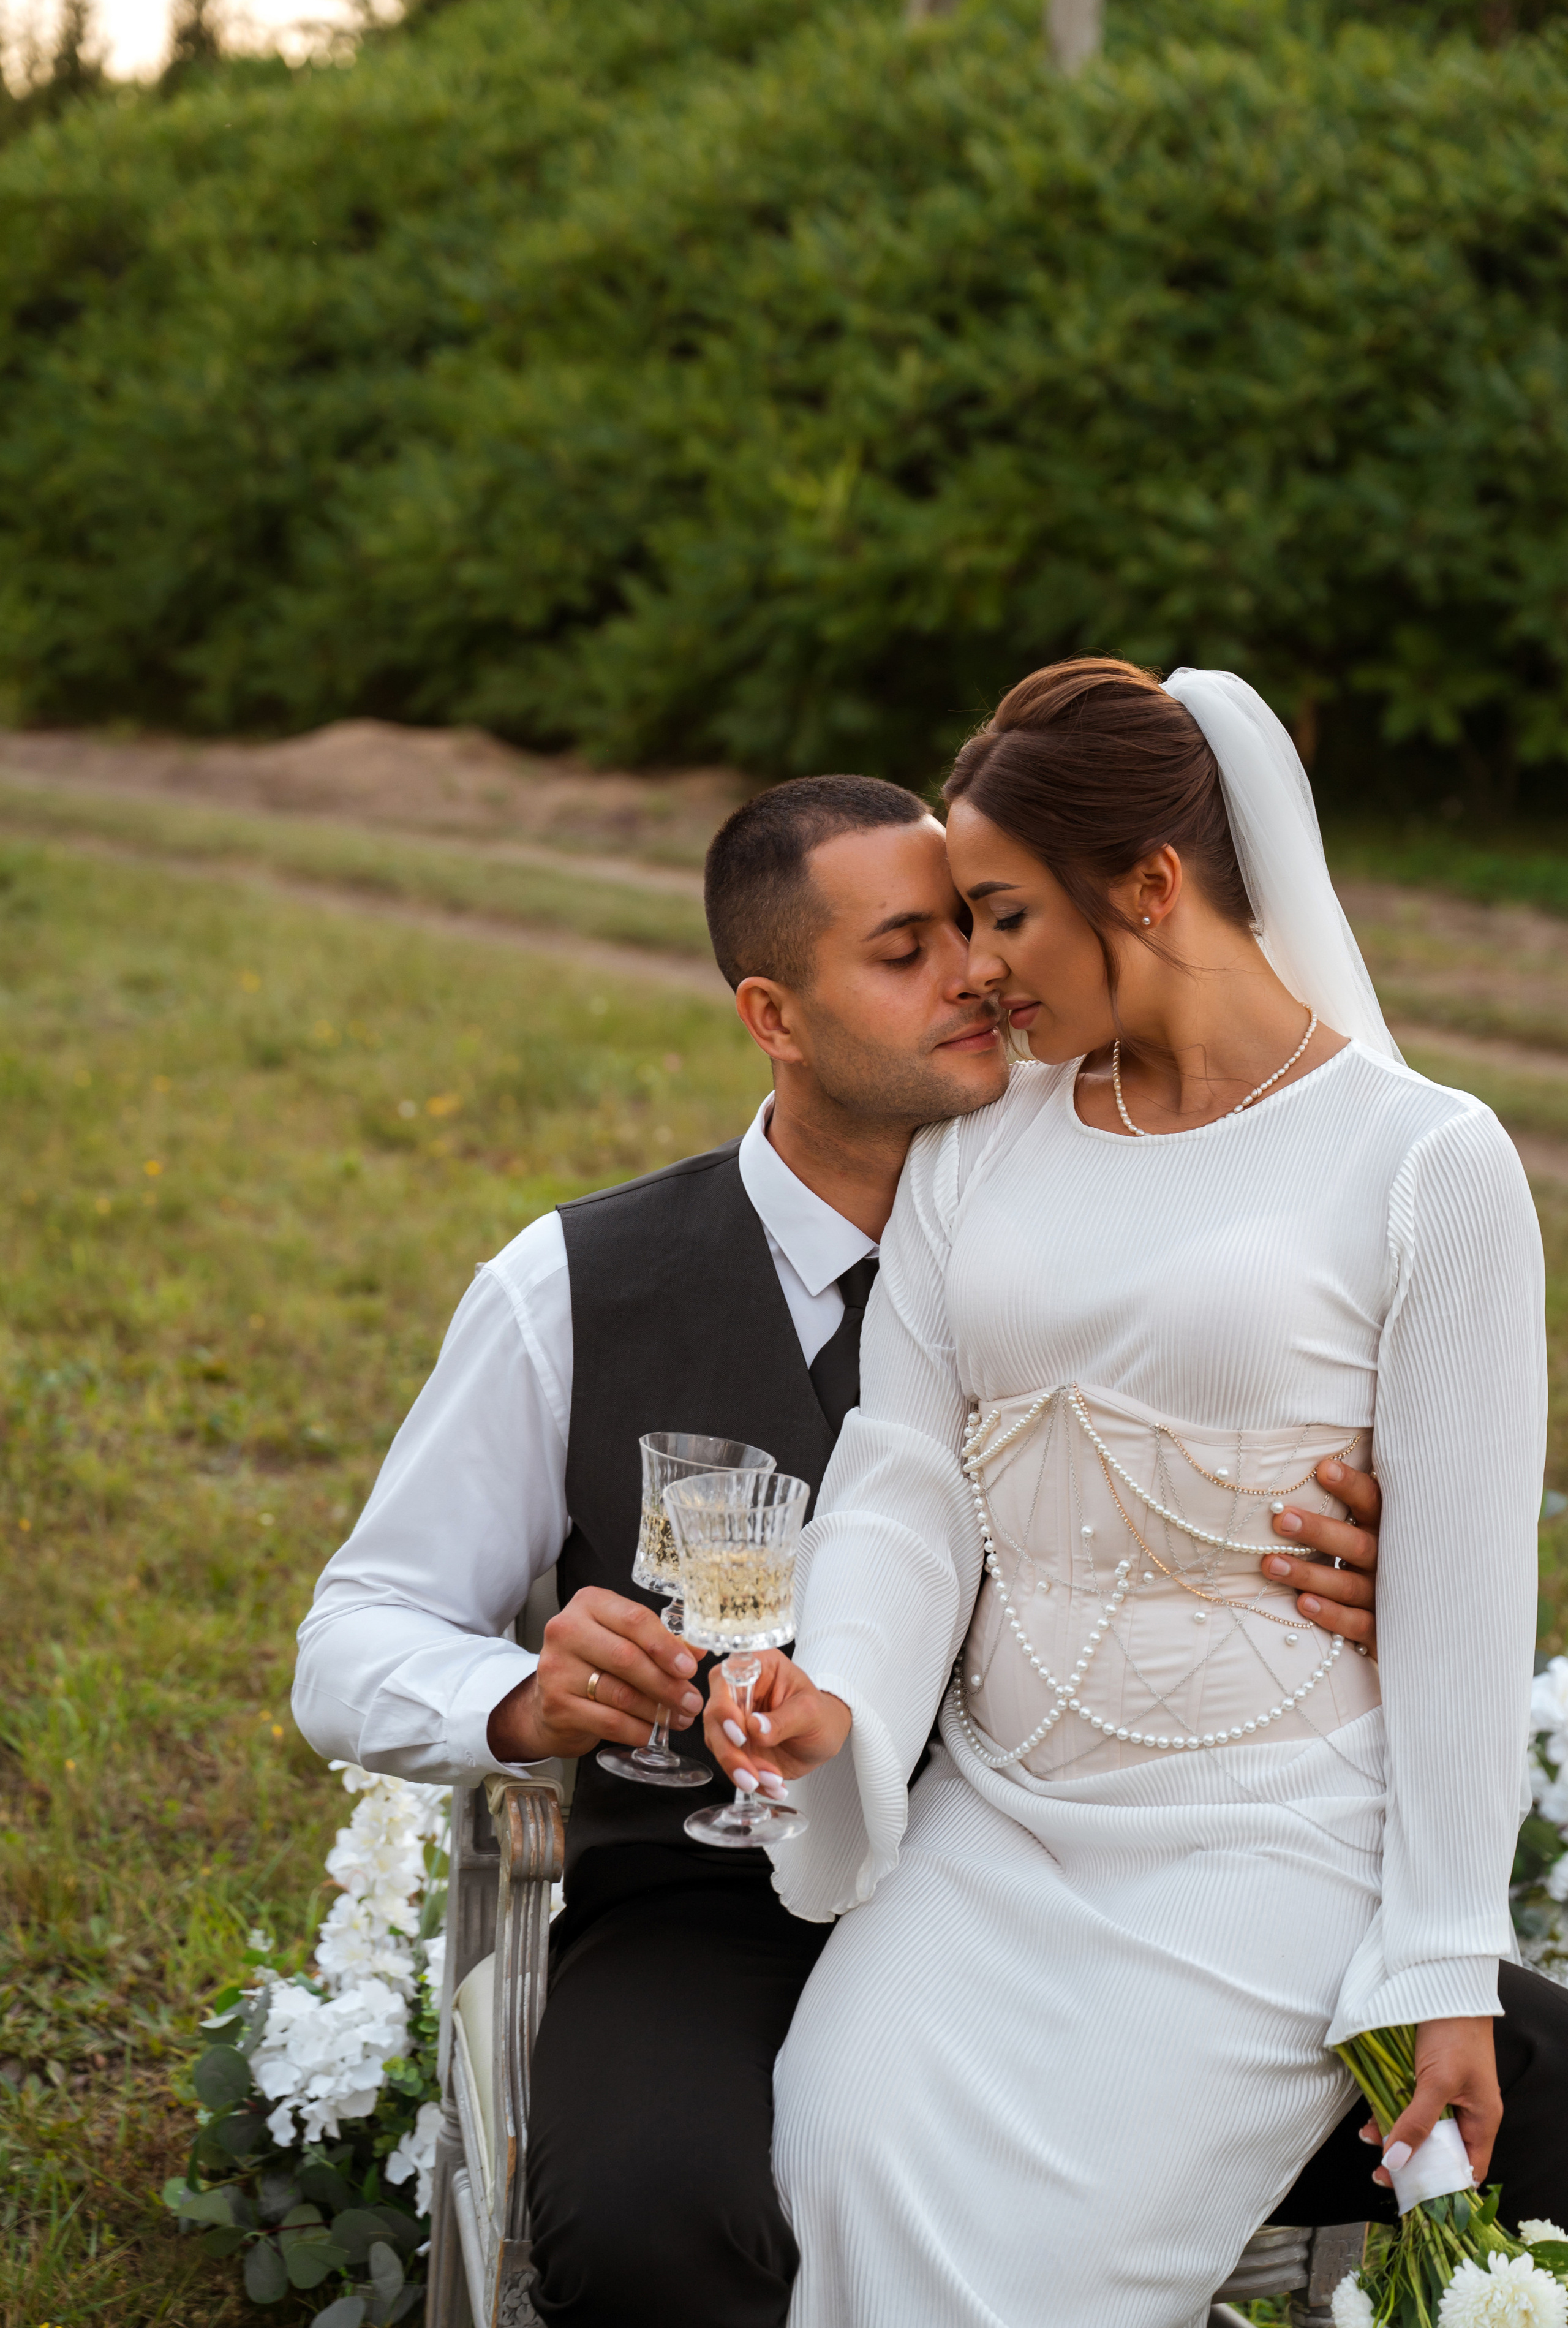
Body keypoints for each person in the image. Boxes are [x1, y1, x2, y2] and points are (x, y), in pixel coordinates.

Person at [293, 765, 1558, 2328]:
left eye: (977, 921)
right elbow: (353, 1632)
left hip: (1136, 1853)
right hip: (711, 1902)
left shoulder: (1140, 1173)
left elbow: (1320, 1395)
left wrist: (1356, 1567)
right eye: (905, 950)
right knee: (650, 2226)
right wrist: (514, 1698)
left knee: (1535, 2100)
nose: (975, 971)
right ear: (772, 1014)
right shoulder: (572, 1287)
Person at [705, 661, 1550, 2328]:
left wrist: (1445, 1958)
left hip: (1268, 1842)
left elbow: (1464, 1593)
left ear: (1151, 886)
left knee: (1039, 2277)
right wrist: (842, 1696)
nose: (977, 968)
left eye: (1003, 914)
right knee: (838, 2148)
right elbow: (904, 1476)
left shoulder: (1426, 1164)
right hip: (999, 1821)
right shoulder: (979, 1147)